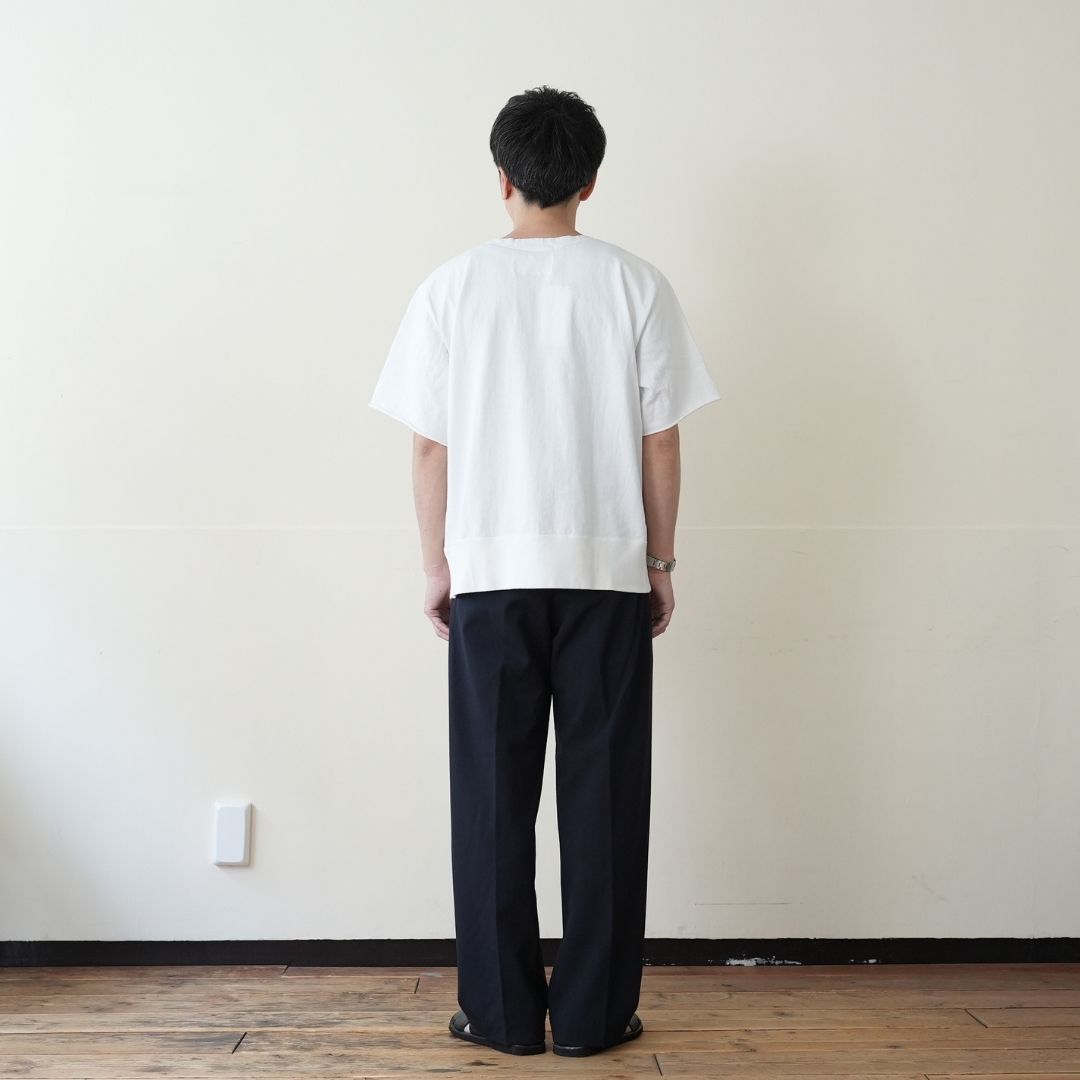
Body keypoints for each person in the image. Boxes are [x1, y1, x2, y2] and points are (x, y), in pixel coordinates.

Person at [368, 85, 721, 1058]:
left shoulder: (451, 288)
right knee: (605, 800)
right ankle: (595, 1018)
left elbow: (430, 448)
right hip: (606, 574)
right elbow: (661, 441)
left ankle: (501, 1013)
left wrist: (436, 567)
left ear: (503, 178)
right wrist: (659, 560)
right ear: (590, 181)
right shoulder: (636, 284)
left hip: (490, 573)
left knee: (491, 800)